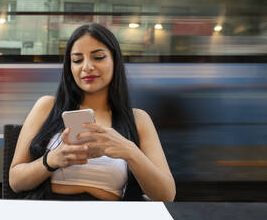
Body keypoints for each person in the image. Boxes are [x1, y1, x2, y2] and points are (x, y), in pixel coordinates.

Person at [9, 23, 176, 201]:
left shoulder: (138, 119)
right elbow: (16, 181)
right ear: (69, 67)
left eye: (98, 57)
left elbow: (166, 195)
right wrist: (52, 159)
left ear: (115, 61)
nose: (87, 66)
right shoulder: (47, 106)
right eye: (77, 60)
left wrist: (129, 151)